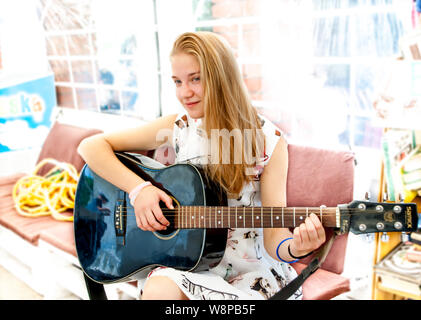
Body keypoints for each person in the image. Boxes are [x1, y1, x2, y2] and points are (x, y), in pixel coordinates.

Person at [77, 31, 326, 300]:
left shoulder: (269, 142)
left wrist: (297, 249)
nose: (185, 92)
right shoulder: (178, 127)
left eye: (196, 79)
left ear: (221, 77)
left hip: (250, 279)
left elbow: (275, 240)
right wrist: (139, 190)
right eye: (177, 81)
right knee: (160, 289)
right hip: (189, 268)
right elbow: (90, 146)